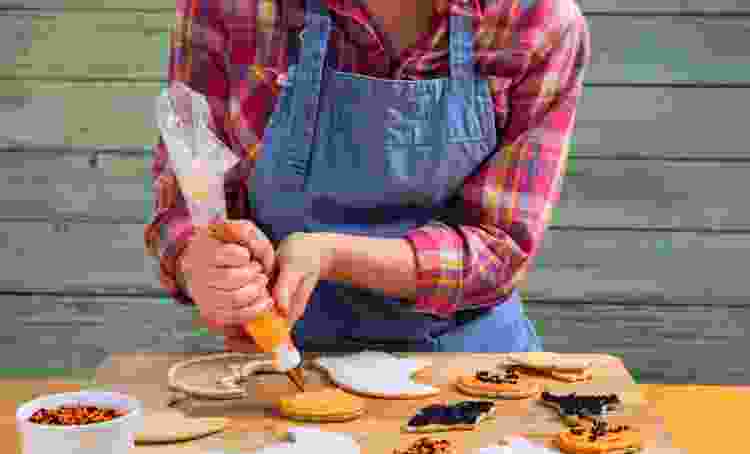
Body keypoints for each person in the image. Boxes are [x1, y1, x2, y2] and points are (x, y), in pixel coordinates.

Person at [145, 0, 590, 354]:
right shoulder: (228, 8)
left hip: (467, 365)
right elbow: (186, 202)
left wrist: (330, 255)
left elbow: (500, 250)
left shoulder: (537, 22)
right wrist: (200, 265)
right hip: (279, 357)